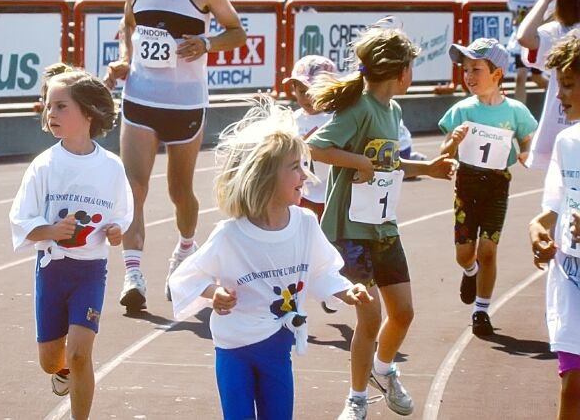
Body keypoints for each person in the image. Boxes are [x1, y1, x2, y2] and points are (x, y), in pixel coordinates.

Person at [168, 99, 372, 420]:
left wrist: (347, 290)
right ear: (265, 175)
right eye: (295, 167)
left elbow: (321, 271)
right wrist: (214, 293)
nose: (305, 176)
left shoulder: (305, 224)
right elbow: (187, 278)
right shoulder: (230, 235)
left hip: (278, 347)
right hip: (234, 349)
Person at [307, 24, 457, 419]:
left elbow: (387, 163)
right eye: (412, 67)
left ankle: (383, 369)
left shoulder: (393, 111)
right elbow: (316, 147)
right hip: (351, 231)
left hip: (384, 228)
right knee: (370, 317)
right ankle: (356, 399)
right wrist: (358, 161)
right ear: (401, 71)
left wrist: (428, 168)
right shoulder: (359, 108)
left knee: (403, 313)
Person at [103, 0, 247, 311]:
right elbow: (129, 27)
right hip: (140, 99)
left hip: (184, 104)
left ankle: (185, 249)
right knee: (133, 187)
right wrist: (124, 60)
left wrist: (207, 44)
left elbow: (237, 32)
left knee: (179, 192)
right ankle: (133, 274)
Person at [9, 64, 133, 420]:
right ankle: (60, 371)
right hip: (52, 270)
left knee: (80, 353)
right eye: (49, 106)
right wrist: (51, 231)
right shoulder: (44, 166)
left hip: (90, 272)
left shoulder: (111, 166)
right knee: (51, 361)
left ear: (89, 113)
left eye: (61, 106)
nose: (51, 114)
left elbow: (122, 213)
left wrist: (116, 230)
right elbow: (21, 220)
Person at [438, 39, 538, 337]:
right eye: (465, 70)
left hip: (497, 185)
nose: (468, 76)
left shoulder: (516, 111)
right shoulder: (461, 110)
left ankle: (481, 311)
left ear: (497, 74)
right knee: (464, 253)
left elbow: (527, 141)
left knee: (489, 250)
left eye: (476, 69)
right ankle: (470, 271)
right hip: (466, 184)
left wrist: (526, 152)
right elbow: (444, 151)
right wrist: (453, 142)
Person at [528, 32, 580, 420]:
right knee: (572, 384)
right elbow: (554, 206)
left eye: (569, 84)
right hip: (571, 279)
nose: (559, 95)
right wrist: (537, 227)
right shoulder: (567, 141)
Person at [517, 0, 580, 169]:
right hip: (562, 127)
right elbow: (525, 37)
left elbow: (525, 37)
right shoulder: (558, 32)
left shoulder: (558, 32)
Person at [283, 54, 336, 219]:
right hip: (300, 195)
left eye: (315, 92)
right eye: (302, 91)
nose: (308, 98)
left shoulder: (338, 119)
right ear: (294, 89)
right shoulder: (291, 120)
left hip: (333, 195)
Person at [506, 0, 548, 103]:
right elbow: (513, 11)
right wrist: (517, 20)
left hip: (536, 38)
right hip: (520, 39)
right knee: (520, 78)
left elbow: (551, 11)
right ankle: (520, 115)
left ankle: (556, 95)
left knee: (537, 78)